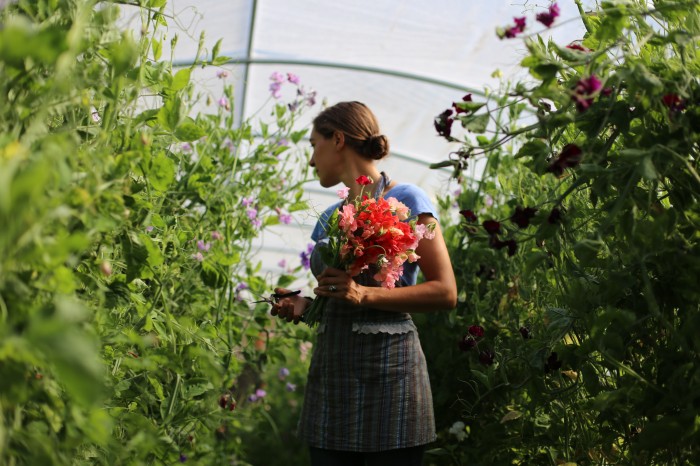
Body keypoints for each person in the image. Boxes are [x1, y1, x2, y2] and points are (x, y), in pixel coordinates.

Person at [271, 101, 457, 466]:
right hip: (333, 378)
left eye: (313, 145)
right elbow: (341, 296)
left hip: (391, 379)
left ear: (337, 139)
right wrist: (307, 306)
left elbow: (446, 291)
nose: (311, 160)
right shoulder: (327, 217)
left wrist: (364, 293)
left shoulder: (407, 201)